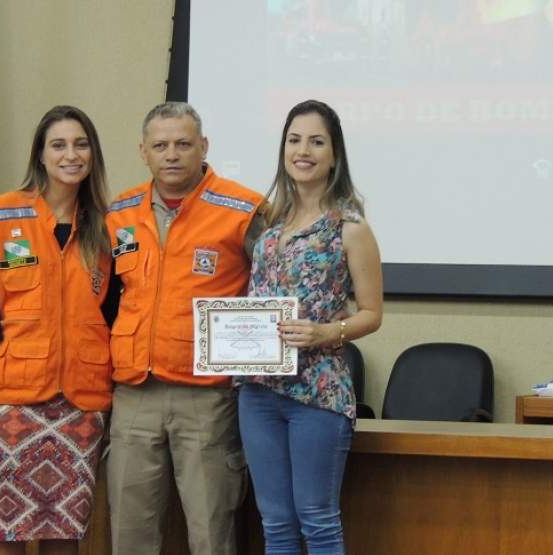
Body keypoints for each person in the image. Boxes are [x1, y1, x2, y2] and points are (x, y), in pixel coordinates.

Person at [0, 105, 114, 555]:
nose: (70, 154)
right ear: (40, 154)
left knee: (66, 530)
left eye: (81, 144)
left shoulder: (108, 228)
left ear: (93, 155)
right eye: (58, 145)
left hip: (81, 402)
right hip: (13, 400)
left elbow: (114, 314)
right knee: (7, 528)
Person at [105, 101, 266, 555]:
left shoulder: (244, 210)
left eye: (182, 144)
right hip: (134, 394)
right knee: (130, 531)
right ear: (144, 151)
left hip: (207, 398)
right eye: (160, 145)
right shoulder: (119, 212)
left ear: (204, 147)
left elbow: (274, 293)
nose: (171, 154)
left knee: (211, 531)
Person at [235, 99, 383, 554]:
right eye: (295, 140)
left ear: (334, 154)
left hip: (317, 392)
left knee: (317, 520)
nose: (304, 150)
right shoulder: (267, 222)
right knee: (275, 523)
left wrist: (325, 334)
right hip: (258, 392)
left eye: (317, 141)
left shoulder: (349, 228)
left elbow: (372, 314)